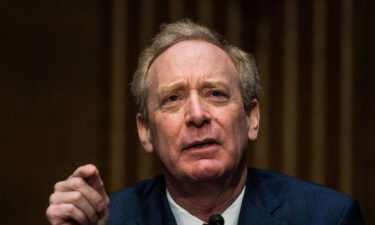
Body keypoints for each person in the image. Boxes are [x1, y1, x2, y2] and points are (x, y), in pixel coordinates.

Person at [46, 20, 365, 225]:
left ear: (252, 117)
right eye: (173, 98)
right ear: (145, 131)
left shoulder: (328, 217)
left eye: (215, 93)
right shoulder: (106, 221)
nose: (197, 114)